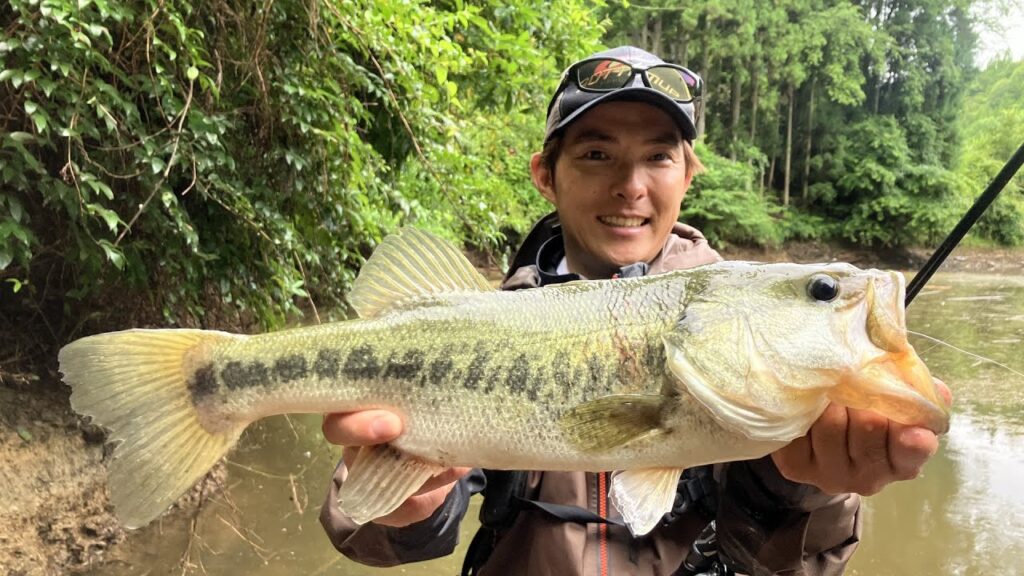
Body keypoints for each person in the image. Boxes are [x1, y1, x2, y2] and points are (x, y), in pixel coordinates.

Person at [319, 46, 949, 575]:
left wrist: (807, 486)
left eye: (658, 156)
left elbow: (798, 563)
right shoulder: (479, 321)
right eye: (597, 154)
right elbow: (374, 535)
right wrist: (406, 508)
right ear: (546, 174)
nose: (631, 186)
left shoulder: (744, 338)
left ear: (688, 174)